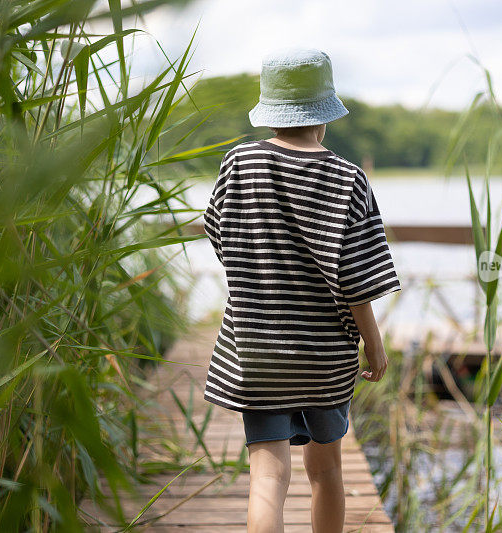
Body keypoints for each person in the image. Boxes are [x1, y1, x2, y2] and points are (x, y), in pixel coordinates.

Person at [202, 46, 401, 533]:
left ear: (270, 112)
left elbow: (218, 230)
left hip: (257, 350)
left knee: (267, 476)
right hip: (324, 356)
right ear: (325, 116)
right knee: (327, 471)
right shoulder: (348, 178)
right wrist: (373, 345)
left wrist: (260, 278)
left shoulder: (239, 163)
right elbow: (359, 278)